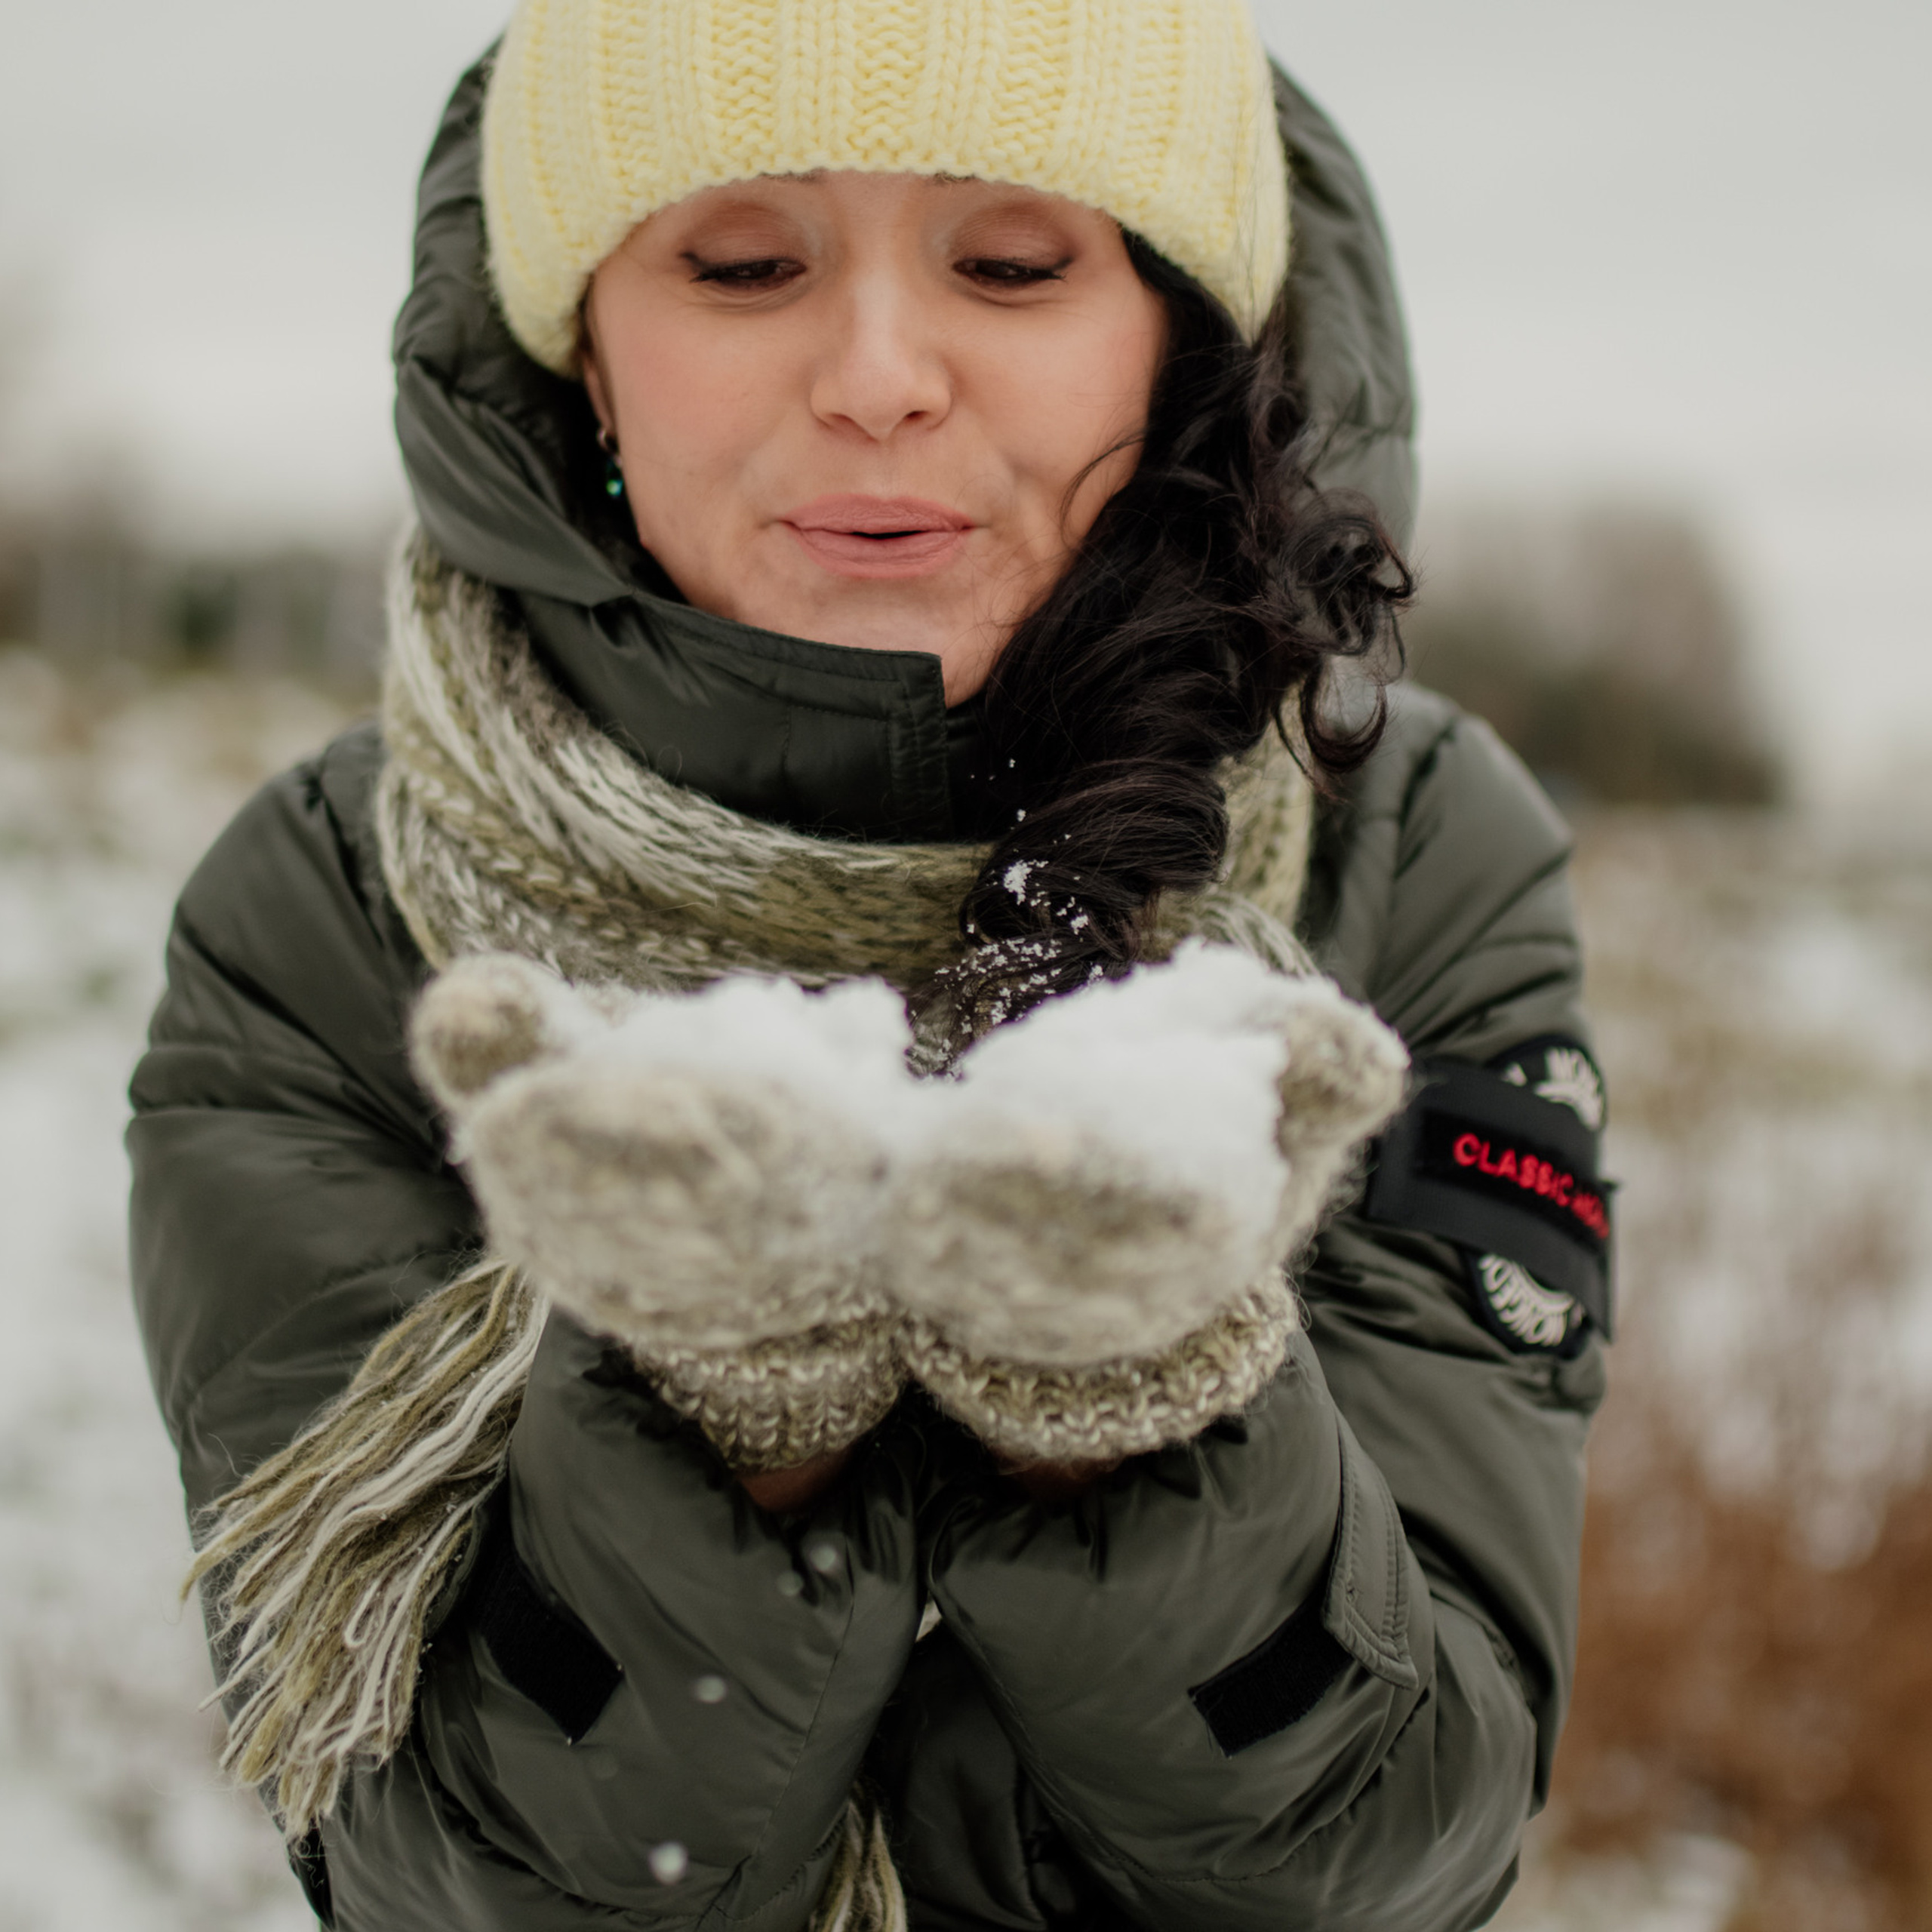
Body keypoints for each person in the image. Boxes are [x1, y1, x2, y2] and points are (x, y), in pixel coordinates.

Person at [129, 3, 1611, 1927]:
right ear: (580, 345)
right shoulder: (328, 914)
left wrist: (1137, 1412)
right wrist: (721, 1421)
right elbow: (430, 1868)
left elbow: (1409, 1835)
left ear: (1177, 328)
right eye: (743, 264)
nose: (880, 374)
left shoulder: (1410, 859)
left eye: (1009, 263)